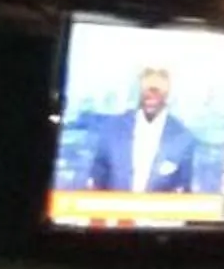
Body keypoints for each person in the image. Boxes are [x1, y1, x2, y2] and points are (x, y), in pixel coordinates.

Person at [78, 64, 206, 192]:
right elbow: (96, 179)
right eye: (146, 91)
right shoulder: (113, 128)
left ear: (167, 96)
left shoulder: (183, 137)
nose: (151, 97)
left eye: (157, 91)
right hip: (114, 210)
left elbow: (184, 190)